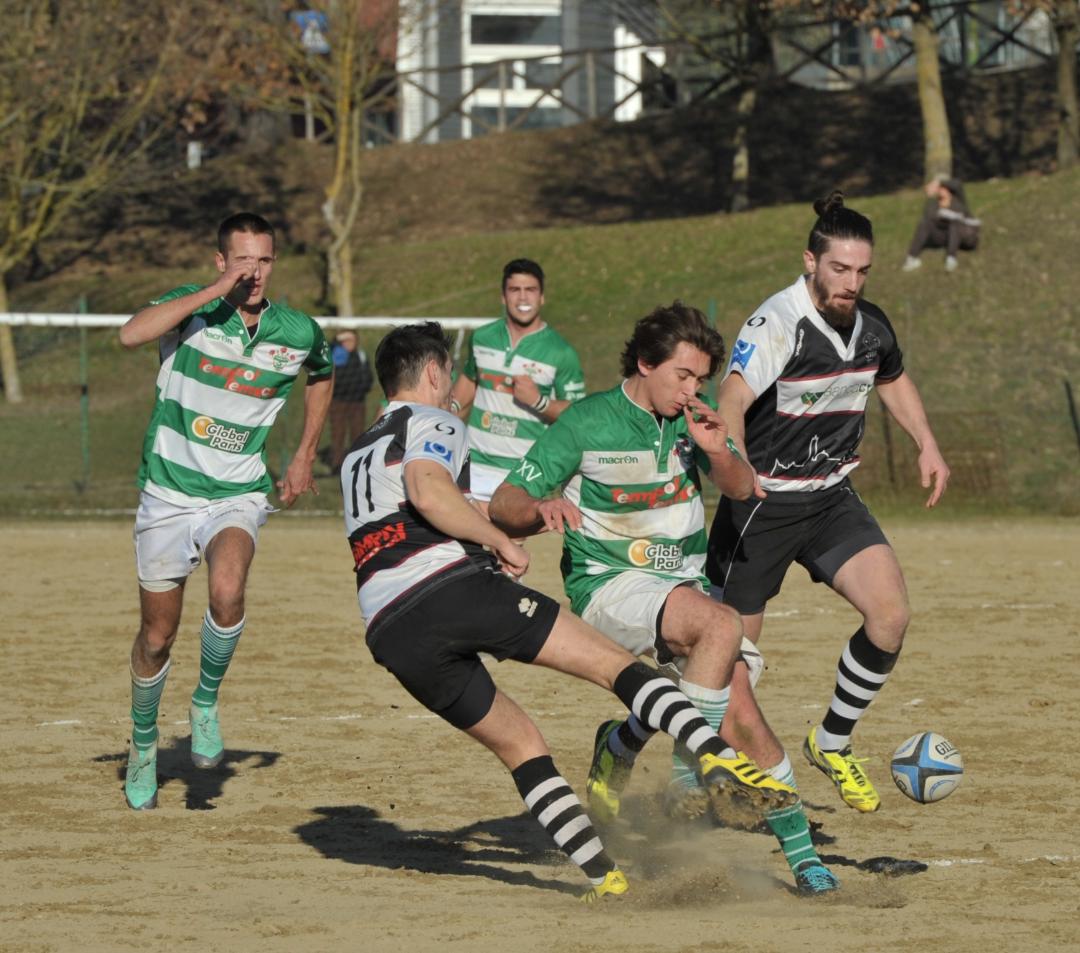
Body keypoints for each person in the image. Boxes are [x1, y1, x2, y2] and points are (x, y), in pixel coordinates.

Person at [341, 321, 797, 902]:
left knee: (521, 746)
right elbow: (429, 491)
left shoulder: (359, 449)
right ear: (433, 373)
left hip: (389, 629)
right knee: (615, 667)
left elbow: (417, 510)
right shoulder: (433, 420)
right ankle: (714, 756)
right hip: (450, 590)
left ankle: (605, 879)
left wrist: (506, 523)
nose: (456, 388)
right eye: (451, 375)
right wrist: (499, 541)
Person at [489, 303, 839, 896]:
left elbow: (742, 488)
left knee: (743, 716)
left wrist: (718, 447)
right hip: (610, 585)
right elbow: (504, 503)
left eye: (700, 379)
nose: (692, 390)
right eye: (683, 375)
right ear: (646, 363)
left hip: (683, 590)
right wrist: (539, 507)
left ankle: (803, 860)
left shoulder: (692, 421)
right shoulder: (587, 422)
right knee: (721, 625)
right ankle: (687, 774)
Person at [708, 191, 950, 814]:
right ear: (810, 260)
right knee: (729, 664)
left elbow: (892, 378)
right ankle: (676, 761)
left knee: (890, 616)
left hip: (830, 500)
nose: (851, 283)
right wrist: (736, 467)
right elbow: (731, 398)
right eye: (840, 269)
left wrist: (927, 443)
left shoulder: (872, 325)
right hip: (762, 507)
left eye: (862, 271)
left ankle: (832, 741)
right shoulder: (776, 323)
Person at [118, 212, 334, 811]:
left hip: (236, 494)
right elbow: (130, 335)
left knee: (228, 589)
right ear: (221, 262)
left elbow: (322, 373)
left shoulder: (296, 330)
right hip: (168, 495)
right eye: (242, 260)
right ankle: (143, 745)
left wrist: (304, 454)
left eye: (263, 260)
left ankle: (205, 702)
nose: (254, 272)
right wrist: (214, 292)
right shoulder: (191, 310)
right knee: (156, 638)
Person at [449, 258, 585, 503]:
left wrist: (539, 402)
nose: (523, 297)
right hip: (473, 464)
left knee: (507, 532)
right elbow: (469, 381)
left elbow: (576, 415)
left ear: (542, 297)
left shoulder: (561, 352)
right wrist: (450, 410)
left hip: (523, 474)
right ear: (503, 297)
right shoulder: (482, 337)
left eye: (530, 290)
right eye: (515, 290)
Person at [902, 176, 980, 272]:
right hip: (946, 237)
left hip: (966, 236)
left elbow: (958, 185)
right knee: (924, 222)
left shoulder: (959, 201)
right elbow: (928, 217)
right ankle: (912, 258)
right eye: (939, 188)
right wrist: (930, 196)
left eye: (943, 187)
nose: (940, 190)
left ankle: (951, 258)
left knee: (954, 222)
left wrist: (938, 182)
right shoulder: (935, 204)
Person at [327, 329, 374, 471]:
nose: (350, 343)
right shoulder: (336, 354)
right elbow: (327, 349)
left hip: (357, 401)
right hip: (338, 401)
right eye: (346, 340)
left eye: (352, 340)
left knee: (357, 433)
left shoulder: (361, 355)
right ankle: (337, 464)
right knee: (338, 432)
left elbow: (368, 375)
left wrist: (364, 388)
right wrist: (336, 340)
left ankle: (356, 463)